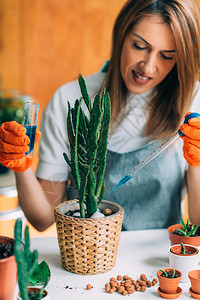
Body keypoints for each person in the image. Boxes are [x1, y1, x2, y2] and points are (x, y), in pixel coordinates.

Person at [0, 0, 200, 231]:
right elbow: (42, 219)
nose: (148, 67)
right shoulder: (70, 99)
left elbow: (197, 224)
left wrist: (197, 164)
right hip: (85, 259)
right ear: (121, 36)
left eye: (167, 56)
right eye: (140, 46)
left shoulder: (193, 101)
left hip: (160, 261)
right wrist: (21, 167)